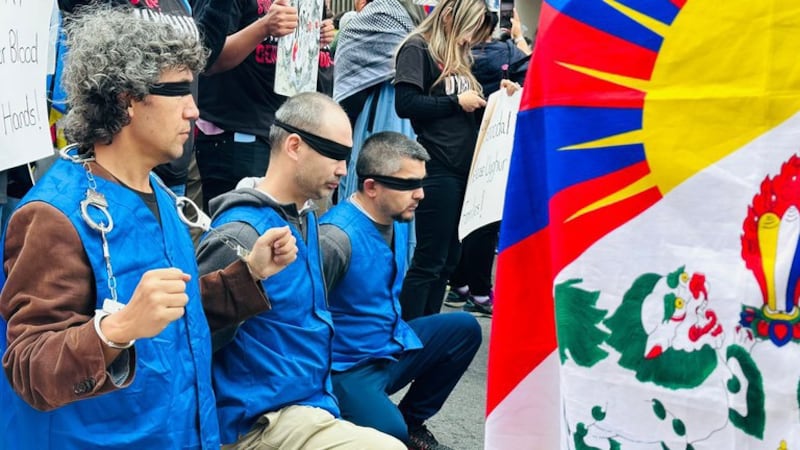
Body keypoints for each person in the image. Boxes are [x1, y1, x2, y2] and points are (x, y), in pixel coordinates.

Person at [0, 6, 298, 448]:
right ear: (126, 100)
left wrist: (247, 275)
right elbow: (29, 368)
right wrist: (114, 332)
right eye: (178, 91)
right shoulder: (52, 216)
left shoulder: (156, 189)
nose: (194, 110)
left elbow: (173, 314)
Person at [196, 92, 405, 449]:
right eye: (335, 154)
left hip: (306, 404)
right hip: (258, 421)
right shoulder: (241, 231)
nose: (343, 169)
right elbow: (194, 338)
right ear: (294, 145)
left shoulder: (305, 218)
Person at [320, 131, 481, 450]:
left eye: (422, 182)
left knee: (463, 328)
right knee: (391, 437)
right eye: (409, 184)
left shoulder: (394, 217)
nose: (420, 194)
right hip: (348, 368)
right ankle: (350, 417)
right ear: (371, 187)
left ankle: (412, 421)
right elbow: (298, 319)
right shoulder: (335, 238)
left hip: (388, 346)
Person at [394, 0, 493, 320]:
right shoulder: (417, 49)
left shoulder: (457, 54)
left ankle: (426, 332)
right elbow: (406, 103)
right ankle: (410, 336)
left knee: (449, 260)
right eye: (469, 28)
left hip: (462, 168)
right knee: (430, 260)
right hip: (437, 165)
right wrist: (455, 102)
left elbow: (464, 109)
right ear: (449, 18)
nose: (470, 39)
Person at [194, 0, 336, 209]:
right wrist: (264, 27)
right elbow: (207, 59)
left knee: (279, 232)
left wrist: (318, 35)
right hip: (236, 136)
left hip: (286, 134)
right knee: (239, 231)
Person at [445, 10, 529, 316]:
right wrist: (518, 40)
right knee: (485, 217)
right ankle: (478, 290)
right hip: (492, 144)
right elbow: (531, 73)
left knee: (464, 215)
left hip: (454, 146)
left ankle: (460, 283)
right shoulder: (503, 53)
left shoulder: (446, 53)